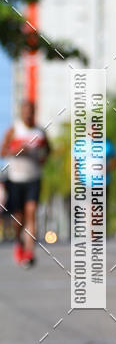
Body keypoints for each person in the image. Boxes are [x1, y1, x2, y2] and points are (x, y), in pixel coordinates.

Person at [1, 101, 50, 267]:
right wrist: (16, 150)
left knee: (31, 212)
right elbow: (3, 152)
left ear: (35, 112)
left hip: (34, 178)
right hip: (15, 179)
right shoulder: (14, 129)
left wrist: (42, 157)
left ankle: (29, 251)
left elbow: (48, 151)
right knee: (18, 218)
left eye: (31, 111)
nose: (28, 114)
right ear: (21, 112)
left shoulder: (40, 131)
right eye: (25, 111)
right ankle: (18, 243)